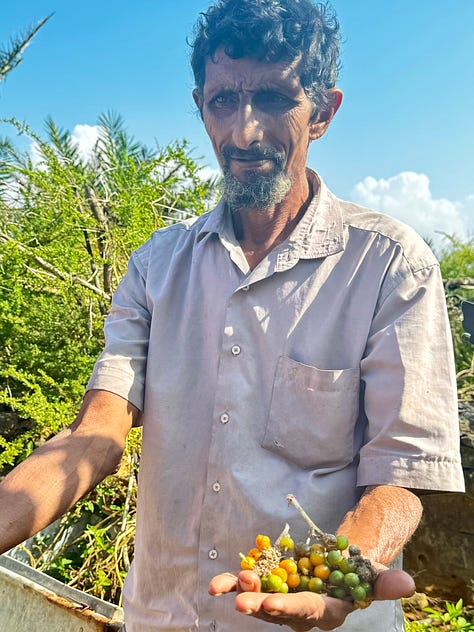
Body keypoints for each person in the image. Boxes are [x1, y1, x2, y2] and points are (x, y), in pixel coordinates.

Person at [0, 0, 465, 630]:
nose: (245, 131)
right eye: (224, 101)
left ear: (323, 112)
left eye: (275, 99)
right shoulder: (156, 268)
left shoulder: (388, 265)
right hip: (163, 616)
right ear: (200, 106)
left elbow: (402, 471)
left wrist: (342, 564)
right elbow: (94, 435)